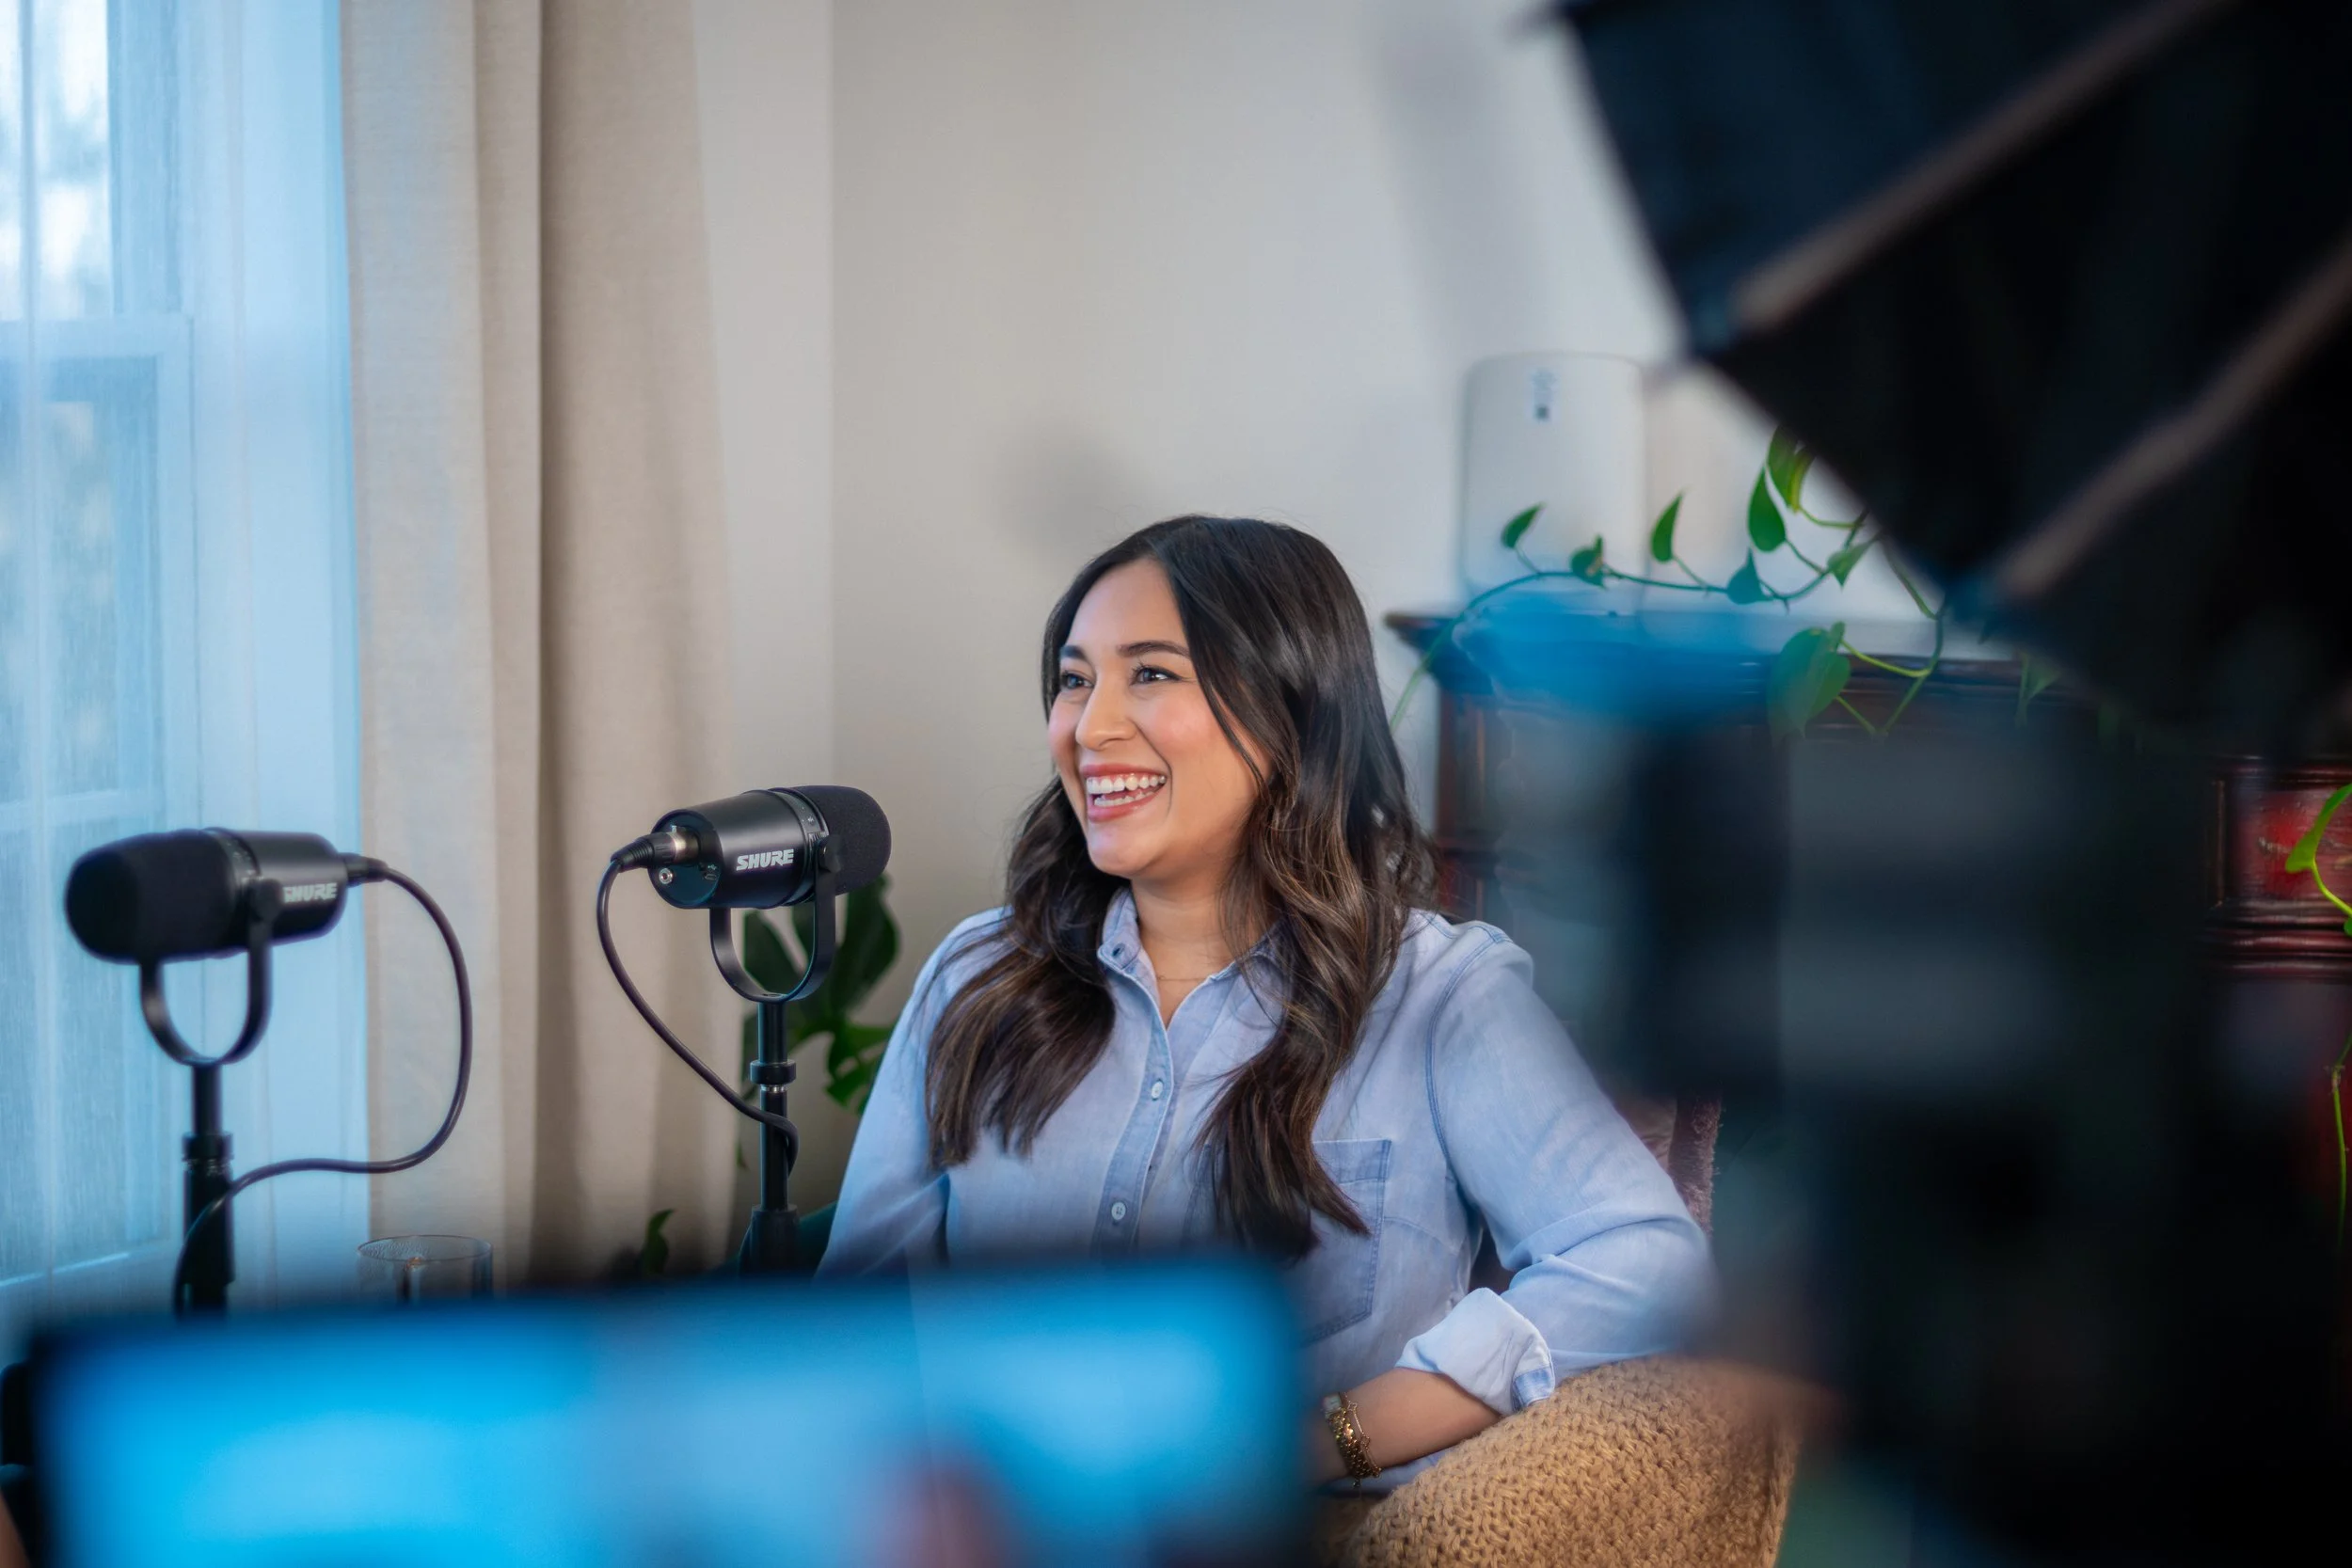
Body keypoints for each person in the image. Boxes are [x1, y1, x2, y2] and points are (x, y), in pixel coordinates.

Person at [818, 515, 1710, 1490]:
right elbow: (851, 1326)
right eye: (1074, 679)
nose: (1089, 725)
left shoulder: (1439, 996)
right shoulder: (976, 974)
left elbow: (1646, 1260)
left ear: (1291, 713)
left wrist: (1327, 1437)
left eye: (1150, 673)